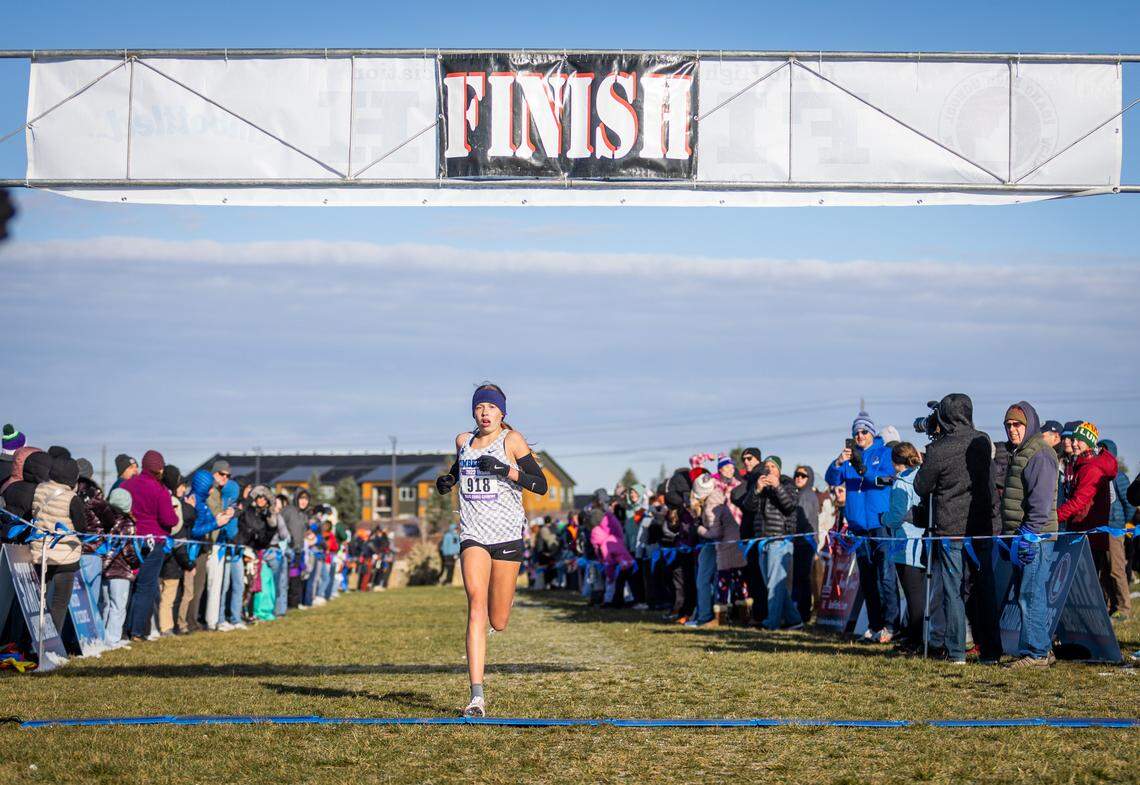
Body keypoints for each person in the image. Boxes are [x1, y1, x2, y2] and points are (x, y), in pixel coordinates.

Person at [434, 382, 548, 718]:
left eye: (491, 408)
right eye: (480, 407)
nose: (485, 413)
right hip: (473, 535)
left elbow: (540, 485)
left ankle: (505, 594)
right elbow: (459, 469)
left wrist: (505, 470)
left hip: (507, 536)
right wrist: (448, 481)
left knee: (498, 621)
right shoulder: (463, 441)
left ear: (502, 413)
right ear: (474, 411)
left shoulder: (511, 441)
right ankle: (476, 696)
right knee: (475, 605)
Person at [913, 393, 998, 664]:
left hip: (950, 528)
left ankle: (957, 651)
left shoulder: (940, 449)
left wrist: (929, 455)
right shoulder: (982, 441)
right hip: (981, 526)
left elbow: (921, 486)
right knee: (984, 588)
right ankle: (991, 650)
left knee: (953, 590)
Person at [825, 411, 897, 643]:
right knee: (867, 577)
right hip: (858, 525)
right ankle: (875, 625)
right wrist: (838, 463)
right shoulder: (848, 459)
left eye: (864, 431)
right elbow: (832, 479)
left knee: (885, 574)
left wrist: (864, 471)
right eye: (856, 432)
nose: (859, 435)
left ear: (872, 433)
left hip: (879, 522)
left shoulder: (884, 452)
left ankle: (891, 625)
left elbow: (888, 479)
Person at [1000, 401, 1060, 668]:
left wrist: (1028, 534)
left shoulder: (1040, 454)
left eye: (1017, 425)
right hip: (1019, 536)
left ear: (1029, 425)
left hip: (1035, 538)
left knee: (1031, 595)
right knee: (1026, 594)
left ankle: (1036, 653)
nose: (1012, 430)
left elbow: (1041, 502)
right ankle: (1039, 649)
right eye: (1009, 425)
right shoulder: (1020, 452)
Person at [1057, 423, 1119, 615]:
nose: (1073, 444)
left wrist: (1053, 516)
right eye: (1073, 439)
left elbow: (1078, 502)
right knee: (1085, 587)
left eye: (1078, 440)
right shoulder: (1084, 464)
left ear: (1089, 442)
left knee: (1088, 589)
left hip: (1088, 535)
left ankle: (1096, 629)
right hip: (1086, 534)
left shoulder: (1092, 468)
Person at [121, 450, 178, 641]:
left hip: (130, 540)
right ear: (160, 468)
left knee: (127, 584)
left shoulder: (127, 485)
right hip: (153, 542)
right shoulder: (159, 490)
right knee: (145, 587)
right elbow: (168, 519)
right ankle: (137, 631)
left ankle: (121, 629)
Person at [29, 456, 86, 635]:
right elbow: (81, 528)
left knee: (39, 602)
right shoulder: (72, 498)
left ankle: (35, 641)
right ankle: (53, 643)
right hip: (65, 557)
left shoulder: (38, 490)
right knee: (60, 603)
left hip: (41, 553)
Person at [882, 442, 927, 651]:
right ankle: (915, 637)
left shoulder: (902, 482)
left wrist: (883, 518)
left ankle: (915, 641)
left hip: (905, 545)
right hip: (922, 542)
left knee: (913, 596)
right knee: (919, 595)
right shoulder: (921, 476)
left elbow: (896, 517)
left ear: (894, 461)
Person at [754, 456, 802, 630]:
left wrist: (777, 486)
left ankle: (771, 623)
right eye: (766, 466)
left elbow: (789, 506)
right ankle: (794, 620)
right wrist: (757, 490)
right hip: (762, 541)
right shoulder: (761, 486)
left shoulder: (788, 485)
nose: (769, 469)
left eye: (773, 466)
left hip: (779, 540)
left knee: (775, 584)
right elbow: (749, 507)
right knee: (773, 585)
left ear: (779, 469)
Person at [1099, 439, 1134, 619]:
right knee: (1104, 571)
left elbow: (1129, 503)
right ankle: (1111, 606)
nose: (1101, 452)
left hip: (1114, 529)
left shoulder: (1119, 477)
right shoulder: (1099, 475)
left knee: (1117, 569)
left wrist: (1121, 523)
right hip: (1101, 529)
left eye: (1104, 450)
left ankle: (1125, 608)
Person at [101, 488, 139, 647]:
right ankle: (113, 638)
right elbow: (128, 549)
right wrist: (136, 561)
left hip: (105, 568)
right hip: (121, 570)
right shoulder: (127, 523)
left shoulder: (104, 520)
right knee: (118, 606)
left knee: (105, 604)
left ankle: (102, 636)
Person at [791, 464, 820, 623]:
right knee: (801, 578)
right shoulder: (801, 494)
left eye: (803, 475)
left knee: (802, 579)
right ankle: (802, 613)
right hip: (803, 541)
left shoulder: (806, 495)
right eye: (797, 474)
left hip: (804, 542)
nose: (799, 478)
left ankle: (803, 614)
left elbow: (804, 522)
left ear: (810, 478)